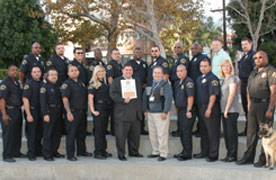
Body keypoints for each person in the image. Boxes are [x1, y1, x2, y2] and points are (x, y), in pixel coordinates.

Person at [237, 51, 276, 168]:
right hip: (253, 105)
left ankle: (264, 159)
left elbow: (274, 92)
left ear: (266, 58)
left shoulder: (271, 71)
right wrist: (249, 103)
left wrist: (270, 108)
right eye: (255, 58)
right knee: (251, 133)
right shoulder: (253, 72)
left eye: (260, 57)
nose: (257, 59)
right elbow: (249, 88)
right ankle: (248, 157)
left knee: (265, 133)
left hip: (264, 105)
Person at [109, 64, 143, 161]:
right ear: (122, 71)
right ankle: (121, 154)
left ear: (132, 72)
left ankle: (134, 152)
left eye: (130, 70)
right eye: (126, 70)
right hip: (122, 113)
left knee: (135, 135)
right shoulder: (116, 81)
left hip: (135, 113)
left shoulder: (136, 81)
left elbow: (139, 96)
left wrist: (140, 110)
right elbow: (112, 94)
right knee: (121, 136)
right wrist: (122, 99)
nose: (128, 72)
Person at [61, 65, 92, 161]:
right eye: (72, 71)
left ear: (78, 72)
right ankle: (70, 155)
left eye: (76, 70)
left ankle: (81, 151)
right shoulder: (66, 84)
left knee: (81, 134)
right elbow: (65, 99)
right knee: (71, 134)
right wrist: (68, 112)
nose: (74, 72)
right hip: (72, 112)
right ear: (68, 73)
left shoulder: (81, 83)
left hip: (82, 112)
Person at [143, 66, 173, 161]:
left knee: (162, 134)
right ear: (152, 74)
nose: (157, 74)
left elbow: (168, 99)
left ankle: (163, 153)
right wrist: (145, 110)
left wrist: (165, 111)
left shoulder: (165, 84)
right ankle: (155, 151)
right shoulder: (150, 85)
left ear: (162, 74)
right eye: (155, 73)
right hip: (151, 113)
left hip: (161, 113)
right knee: (153, 134)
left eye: (159, 73)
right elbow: (145, 98)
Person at [194, 58, 221, 162]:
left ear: (210, 67)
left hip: (211, 108)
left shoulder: (213, 78)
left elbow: (213, 95)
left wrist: (209, 108)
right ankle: (204, 152)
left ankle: (213, 155)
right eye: (201, 66)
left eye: (205, 66)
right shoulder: (199, 78)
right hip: (201, 108)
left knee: (212, 132)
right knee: (203, 132)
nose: (203, 68)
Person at [88, 65, 112, 159]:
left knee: (103, 132)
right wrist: (93, 110)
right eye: (99, 72)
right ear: (95, 73)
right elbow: (90, 98)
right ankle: (98, 152)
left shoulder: (104, 84)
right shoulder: (93, 84)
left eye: (102, 71)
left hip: (105, 109)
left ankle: (103, 150)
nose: (101, 73)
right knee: (98, 132)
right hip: (98, 109)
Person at [0, 65, 23, 162]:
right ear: (8, 72)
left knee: (17, 133)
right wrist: (4, 114)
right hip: (9, 111)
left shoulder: (17, 82)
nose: (15, 72)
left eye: (16, 70)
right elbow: (2, 99)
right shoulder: (5, 83)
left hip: (17, 110)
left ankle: (16, 152)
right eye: (12, 70)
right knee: (8, 134)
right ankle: (7, 155)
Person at [173, 64, 195, 161]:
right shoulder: (178, 83)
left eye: (181, 71)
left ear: (186, 71)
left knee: (186, 132)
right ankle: (184, 150)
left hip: (187, 110)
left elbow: (190, 97)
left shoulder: (188, 82)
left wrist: (189, 110)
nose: (179, 73)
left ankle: (187, 153)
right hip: (180, 110)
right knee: (181, 131)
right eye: (178, 71)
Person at [40, 69, 62, 161]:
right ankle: (47, 154)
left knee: (57, 134)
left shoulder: (58, 86)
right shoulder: (44, 87)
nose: (54, 76)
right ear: (47, 76)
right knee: (48, 134)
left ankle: (54, 151)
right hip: (49, 112)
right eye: (52, 75)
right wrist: (45, 114)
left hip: (58, 112)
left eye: (55, 75)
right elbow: (43, 102)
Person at [220, 60, 240, 162]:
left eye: (228, 66)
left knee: (231, 134)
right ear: (222, 69)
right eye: (224, 67)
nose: (226, 68)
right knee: (227, 134)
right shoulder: (223, 80)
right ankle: (229, 154)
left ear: (231, 68)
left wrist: (227, 109)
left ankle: (233, 155)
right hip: (224, 110)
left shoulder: (233, 79)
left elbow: (232, 94)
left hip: (231, 110)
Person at [22, 66, 43, 161]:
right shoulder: (29, 84)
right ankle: (31, 153)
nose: (37, 73)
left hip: (41, 112)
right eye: (34, 72)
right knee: (31, 134)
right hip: (32, 111)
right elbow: (25, 99)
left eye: (38, 72)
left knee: (39, 133)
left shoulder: (43, 83)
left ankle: (38, 151)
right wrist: (29, 114)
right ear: (31, 73)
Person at [188, 43, 208, 137]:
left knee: (201, 111)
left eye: (195, 48)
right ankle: (198, 128)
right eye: (192, 48)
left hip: (201, 88)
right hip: (194, 88)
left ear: (201, 48)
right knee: (196, 110)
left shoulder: (203, 58)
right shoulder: (193, 58)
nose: (193, 50)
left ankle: (202, 130)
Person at [170, 41, 190, 137]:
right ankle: (179, 129)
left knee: (181, 108)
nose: (177, 49)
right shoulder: (176, 59)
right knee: (178, 107)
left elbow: (181, 73)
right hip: (176, 85)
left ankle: (181, 130)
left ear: (182, 48)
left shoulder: (183, 59)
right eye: (175, 47)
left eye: (179, 47)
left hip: (181, 85)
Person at [128, 46, 148, 135]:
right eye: (136, 52)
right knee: (133, 109)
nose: (138, 54)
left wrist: (146, 84)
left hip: (142, 90)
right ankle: (133, 129)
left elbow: (147, 76)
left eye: (140, 52)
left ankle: (142, 128)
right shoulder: (129, 63)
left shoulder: (144, 64)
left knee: (142, 108)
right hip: (132, 90)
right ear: (133, 53)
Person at [237, 38, 255, 136]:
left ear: (250, 44)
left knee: (250, 108)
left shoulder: (254, 55)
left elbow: (254, 71)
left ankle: (251, 131)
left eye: (246, 44)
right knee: (245, 108)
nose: (244, 46)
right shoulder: (244, 56)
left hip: (250, 84)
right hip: (243, 83)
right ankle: (248, 129)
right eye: (242, 44)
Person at [106, 48, 123, 135]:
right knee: (114, 111)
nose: (117, 55)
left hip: (120, 91)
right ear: (111, 55)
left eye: (118, 54)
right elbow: (110, 79)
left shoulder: (119, 65)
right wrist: (114, 90)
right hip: (114, 92)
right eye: (115, 54)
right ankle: (114, 131)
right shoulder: (110, 65)